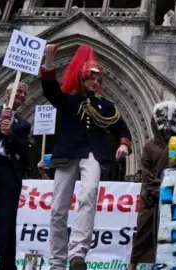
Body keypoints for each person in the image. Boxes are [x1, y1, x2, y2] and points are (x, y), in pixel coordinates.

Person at [40, 44, 133, 270]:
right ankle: (57, 261)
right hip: (67, 154)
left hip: (92, 153)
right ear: (82, 79)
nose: (95, 82)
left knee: (88, 196)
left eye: (98, 80)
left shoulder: (106, 105)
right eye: (91, 78)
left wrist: (123, 145)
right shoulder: (69, 100)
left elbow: (122, 128)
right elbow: (50, 90)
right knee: (58, 208)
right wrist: (50, 62)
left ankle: (77, 254)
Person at [128, 100, 176, 270]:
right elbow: (146, 172)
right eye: (163, 124)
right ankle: (132, 264)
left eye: (170, 125)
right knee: (143, 233)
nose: (166, 129)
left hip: (172, 197)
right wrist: (157, 189)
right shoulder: (148, 146)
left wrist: (171, 189)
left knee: (169, 234)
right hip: (151, 198)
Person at [0, 82, 31, 270]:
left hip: (7, 172)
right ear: (8, 92)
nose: (21, 95)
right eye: (19, 91)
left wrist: (9, 134)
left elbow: (25, 152)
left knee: (6, 221)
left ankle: (6, 266)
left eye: (24, 93)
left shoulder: (23, 124)